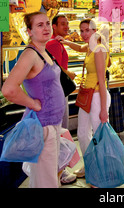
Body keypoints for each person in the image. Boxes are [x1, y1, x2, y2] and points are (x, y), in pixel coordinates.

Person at [2, 12, 65, 188]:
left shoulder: (43, 52)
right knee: (46, 181)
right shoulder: (30, 55)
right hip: (43, 124)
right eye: (39, 25)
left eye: (47, 23)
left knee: (48, 175)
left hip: (53, 122)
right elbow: (9, 89)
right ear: (29, 31)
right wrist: (33, 104)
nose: (45, 28)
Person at [57, 19, 110, 183]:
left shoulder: (99, 49)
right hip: (87, 95)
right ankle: (89, 165)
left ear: (95, 31)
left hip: (97, 96)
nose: (84, 34)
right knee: (82, 133)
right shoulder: (89, 47)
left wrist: (103, 109)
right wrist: (64, 41)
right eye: (81, 31)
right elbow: (79, 47)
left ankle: (101, 168)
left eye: (87, 30)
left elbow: (102, 80)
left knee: (98, 134)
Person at [46, 14, 78, 184]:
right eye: (62, 24)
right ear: (54, 26)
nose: (66, 27)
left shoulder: (56, 43)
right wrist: (70, 74)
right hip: (58, 93)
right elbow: (56, 68)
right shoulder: (54, 44)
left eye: (67, 24)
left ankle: (59, 170)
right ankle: (61, 172)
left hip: (56, 92)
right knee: (61, 130)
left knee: (59, 131)